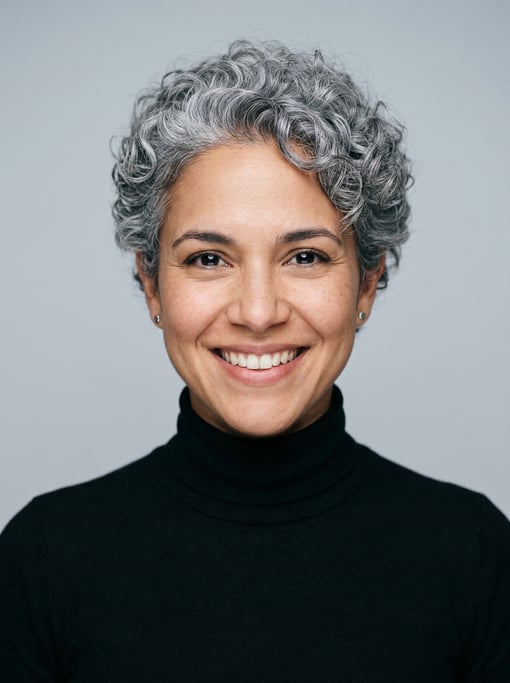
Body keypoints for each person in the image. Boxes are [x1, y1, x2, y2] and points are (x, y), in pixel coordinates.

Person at [1, 39, 509, 682]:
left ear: (367, 285)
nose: (259, 311)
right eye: (208, 259)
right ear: (153, 286)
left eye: (306, 257)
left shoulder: (474, 554)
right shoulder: (44, 558)